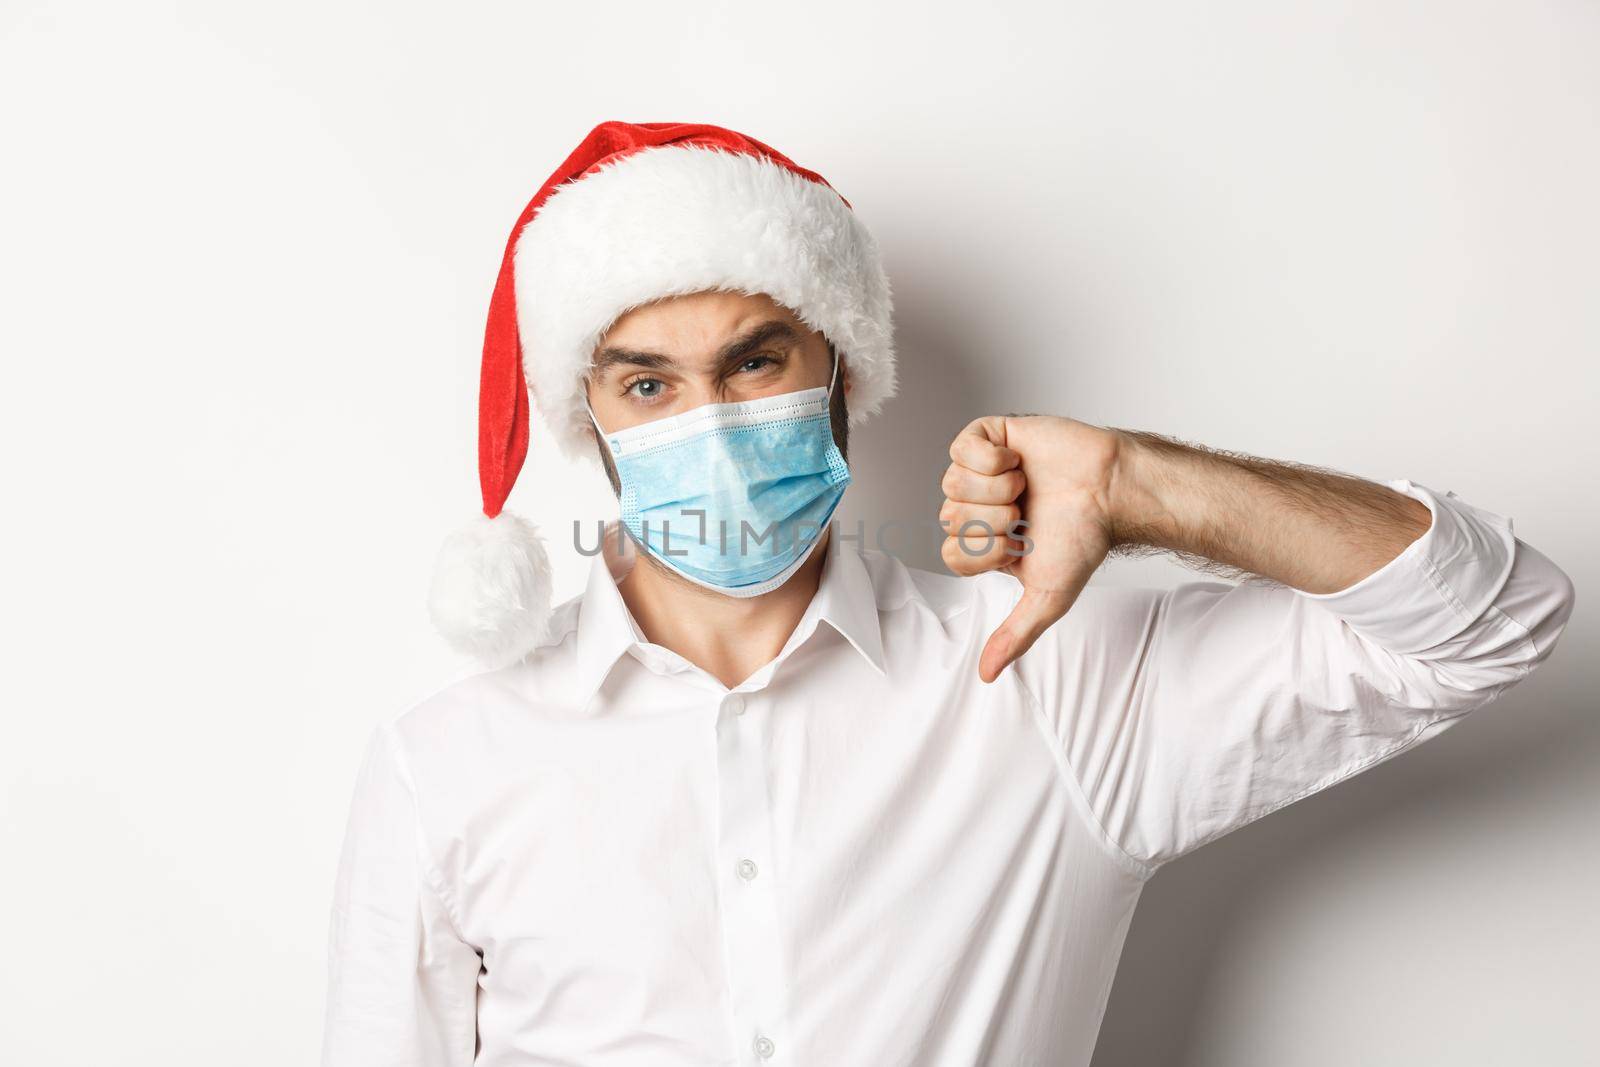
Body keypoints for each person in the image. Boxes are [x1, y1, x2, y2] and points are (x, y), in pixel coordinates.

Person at [319, 121, 1577, 1067]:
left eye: (756, 360)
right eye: (647, 384)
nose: (709, 423)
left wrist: (1150, 483)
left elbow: (1490, 619)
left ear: (840, 369)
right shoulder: (453, 761)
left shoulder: (1047, 680)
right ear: (585, 413)